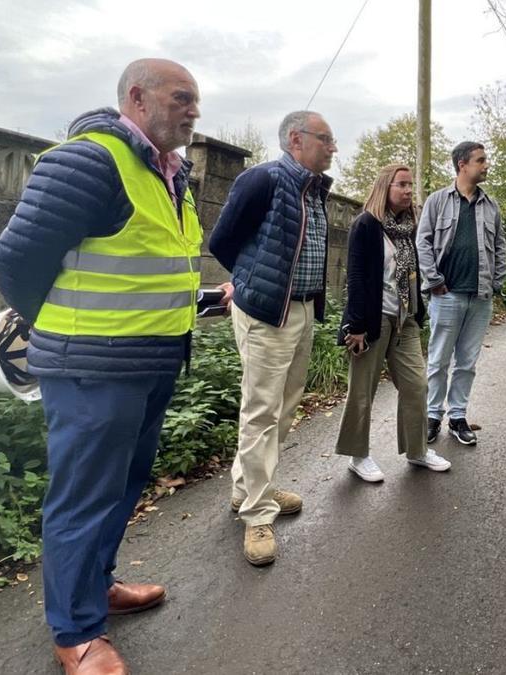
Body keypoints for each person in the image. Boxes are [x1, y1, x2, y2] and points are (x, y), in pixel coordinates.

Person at [0, 58, 204, 674]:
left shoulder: (168, 174)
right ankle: (76, 632)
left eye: (196, 100)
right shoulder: (88, 161)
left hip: (151, 360)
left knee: (119, 490)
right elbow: (14, 263)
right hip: (93, 367)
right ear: (136, 98)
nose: (193, 110)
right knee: (83, 498)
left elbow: (152, 265)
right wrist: (60, 327)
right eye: (180, 97)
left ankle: (95, 589)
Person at [207, 110, 335, 567]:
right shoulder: (261, 180)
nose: (333, 147)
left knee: (284, 406)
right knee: (261, 409)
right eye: (326, 139)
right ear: (296, 140)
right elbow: (222, 241)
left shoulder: (314, 190)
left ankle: (248, 489)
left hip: (302, 309)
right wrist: (246, 282)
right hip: (265, 313)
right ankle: (257, 515)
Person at [336, 164, 452, 480]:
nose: (408, 190)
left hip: (405, 321)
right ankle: (357, 456)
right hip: (372, 322)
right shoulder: (366, 226)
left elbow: (413, 276)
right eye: (402, 184)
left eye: (411, 185)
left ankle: (417, 451)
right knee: (362, 392)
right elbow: (357, 277)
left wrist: (417, 313)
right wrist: (357, 325)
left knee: (417, 385)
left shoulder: (406, 228)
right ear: (385, 187)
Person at [416, 141, 506, 446]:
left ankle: (457, 417)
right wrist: (434, 280)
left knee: (467, 362)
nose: (486, 165)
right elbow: (423, 243)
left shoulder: (491, 206)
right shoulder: (437, 201)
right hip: (447, 295)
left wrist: (496, 283)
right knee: (439, 359)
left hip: (480, 297)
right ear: (462, 165)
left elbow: (500, 248)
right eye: (480, 160)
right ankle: (432, 416)